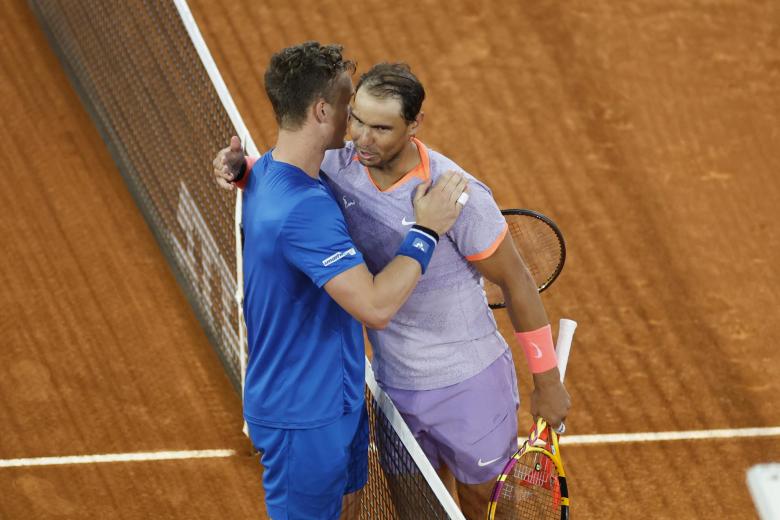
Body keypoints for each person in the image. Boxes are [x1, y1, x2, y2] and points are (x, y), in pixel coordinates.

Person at [216, 62, 569, 520]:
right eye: (357, 119)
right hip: (394, 390)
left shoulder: (454, 194)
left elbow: (517, 281)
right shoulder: (335, 165)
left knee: (487, 505)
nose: (362, 137)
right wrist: (242, 171)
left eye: (381, 128)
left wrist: (548, 381)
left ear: (414, 125)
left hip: (469, 384)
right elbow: (280, 174)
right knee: (418, 511)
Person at [234, 44, 468, 520]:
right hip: (302, 417)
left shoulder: (275, 173)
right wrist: (427, 231)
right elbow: (376, 307)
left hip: (336, 395)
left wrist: (238, 171)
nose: (356, 122)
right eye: (349, 107)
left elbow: (260, 181)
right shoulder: (303, 208)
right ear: (322, 110)